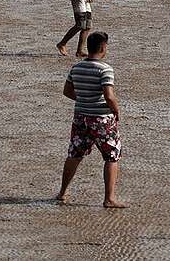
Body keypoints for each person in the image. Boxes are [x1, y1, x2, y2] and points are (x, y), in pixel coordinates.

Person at [56, 32, 126, 208]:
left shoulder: (76, 68)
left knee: (75, 154)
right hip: (102, 119)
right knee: (111, 156)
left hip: (81, 117)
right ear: (103, 47)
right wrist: (116, 109)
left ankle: (62, 192)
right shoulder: (105, 69)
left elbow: (67, 91)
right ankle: (109, 198)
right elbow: (109, 96)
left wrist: (83, 99)